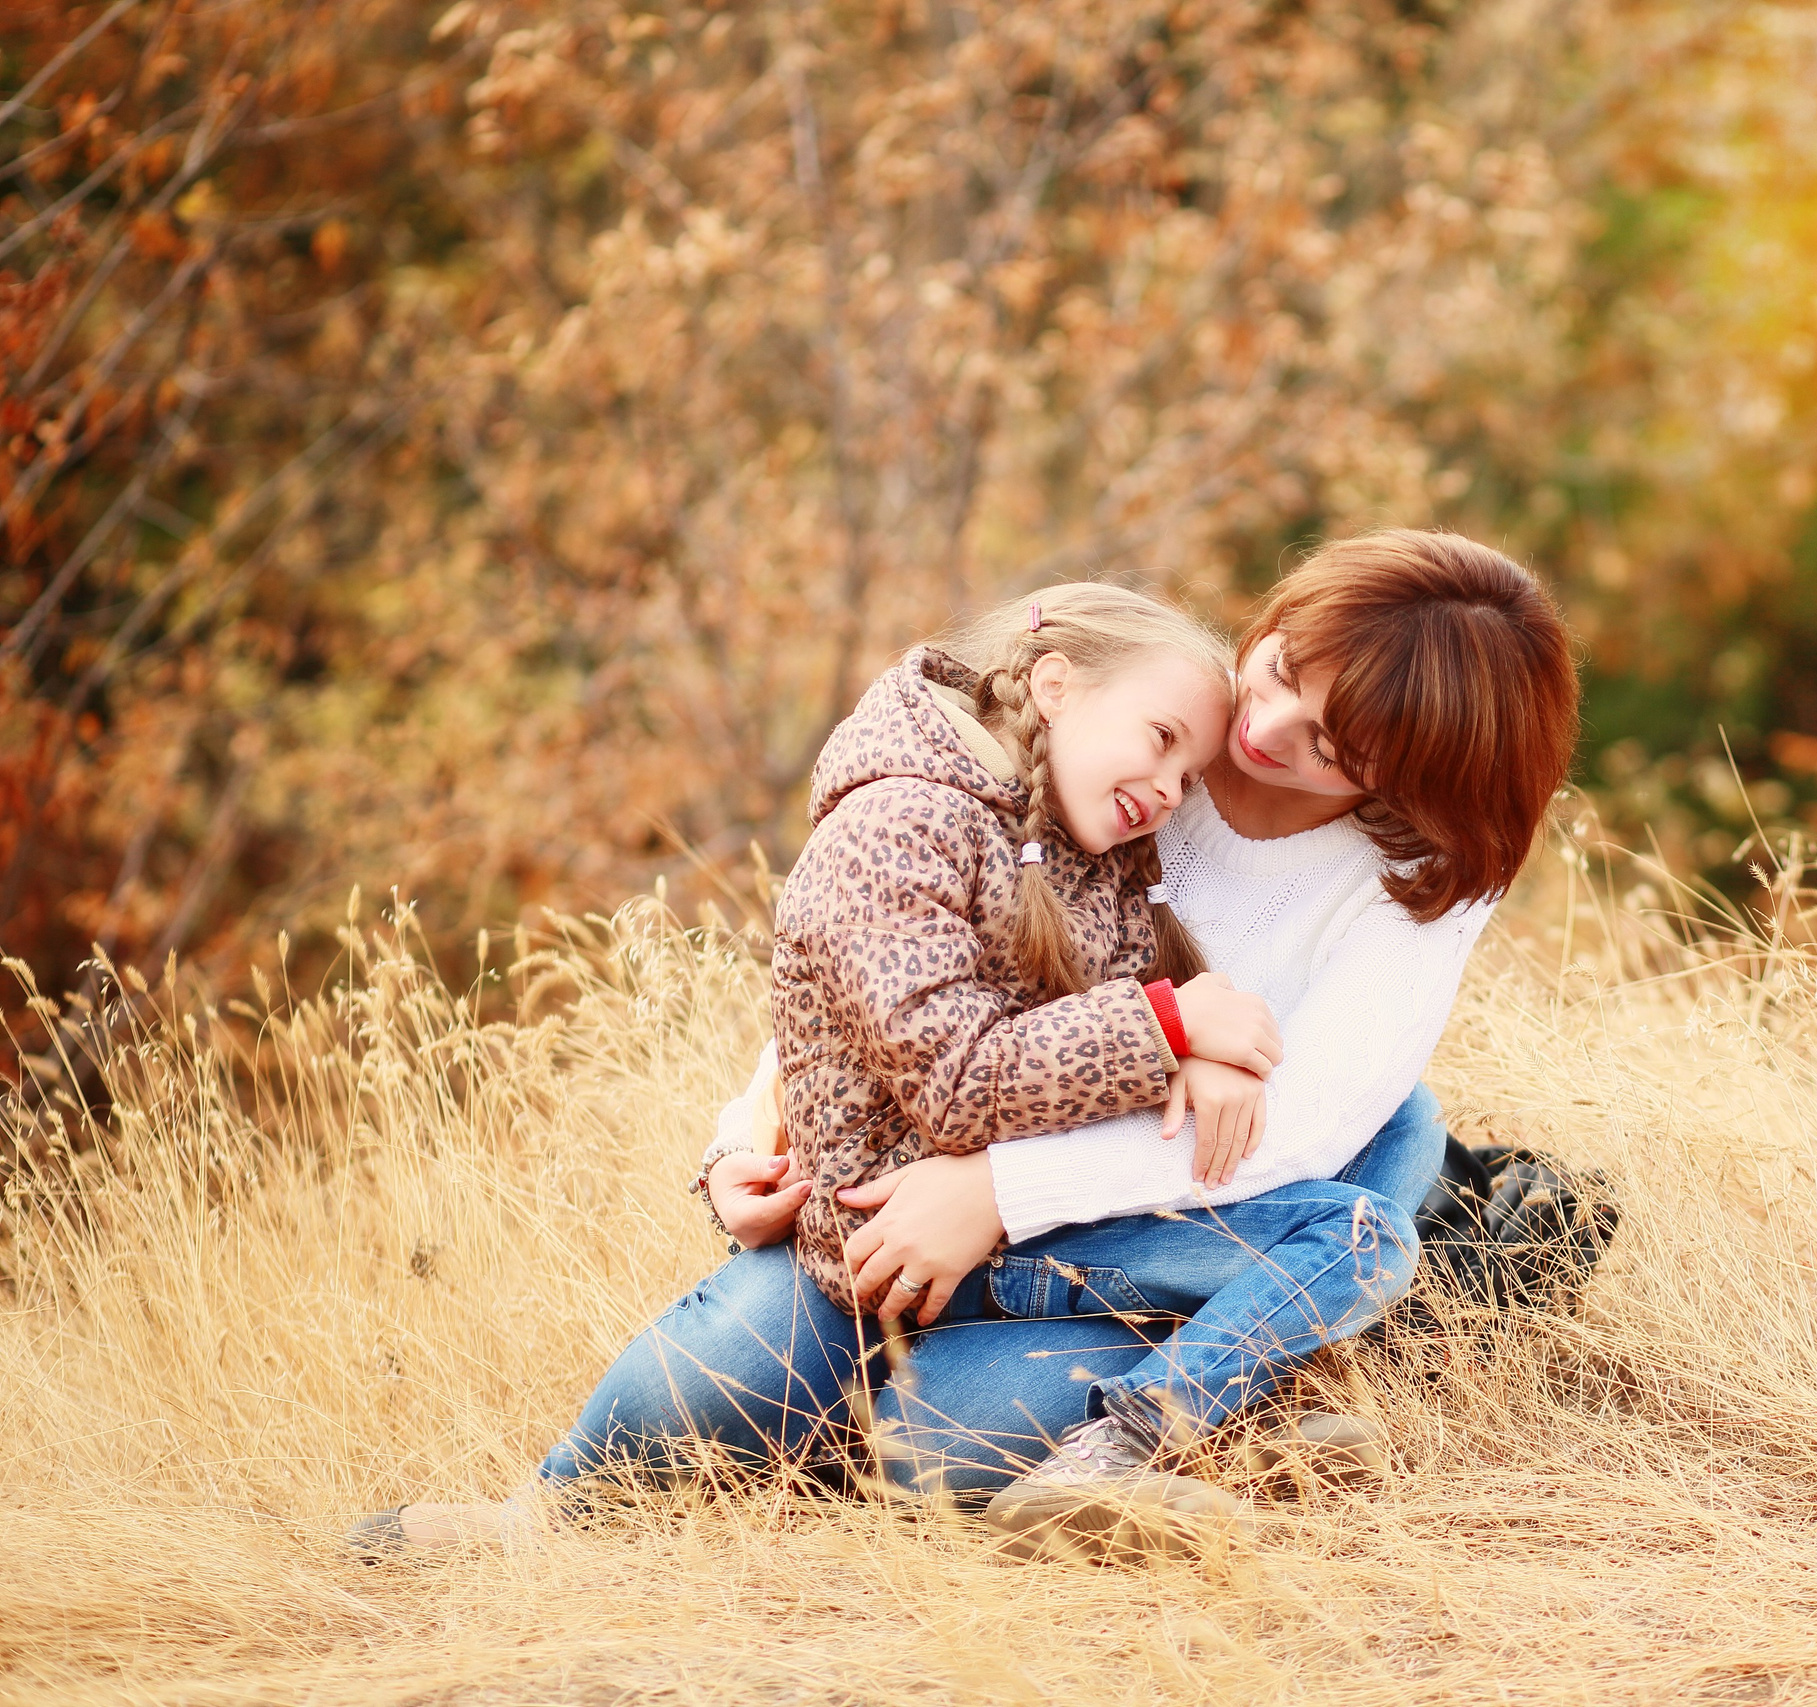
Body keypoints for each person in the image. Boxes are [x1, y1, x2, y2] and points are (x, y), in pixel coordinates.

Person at [362, 532, 1578, 1566]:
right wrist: (750, 1129)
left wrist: (997, 1196)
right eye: (1278, 675)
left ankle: (1209, 1406)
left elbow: (1295, 1133)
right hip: (943, 1150)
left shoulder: (1414, 882)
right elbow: (895, 943)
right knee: (749, 1346)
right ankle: (546, 1518)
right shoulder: (1157, 726)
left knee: (934, 1456)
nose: (1263, 730)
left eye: (1331, 743)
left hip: (1142, 1224)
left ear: (1416, 777)